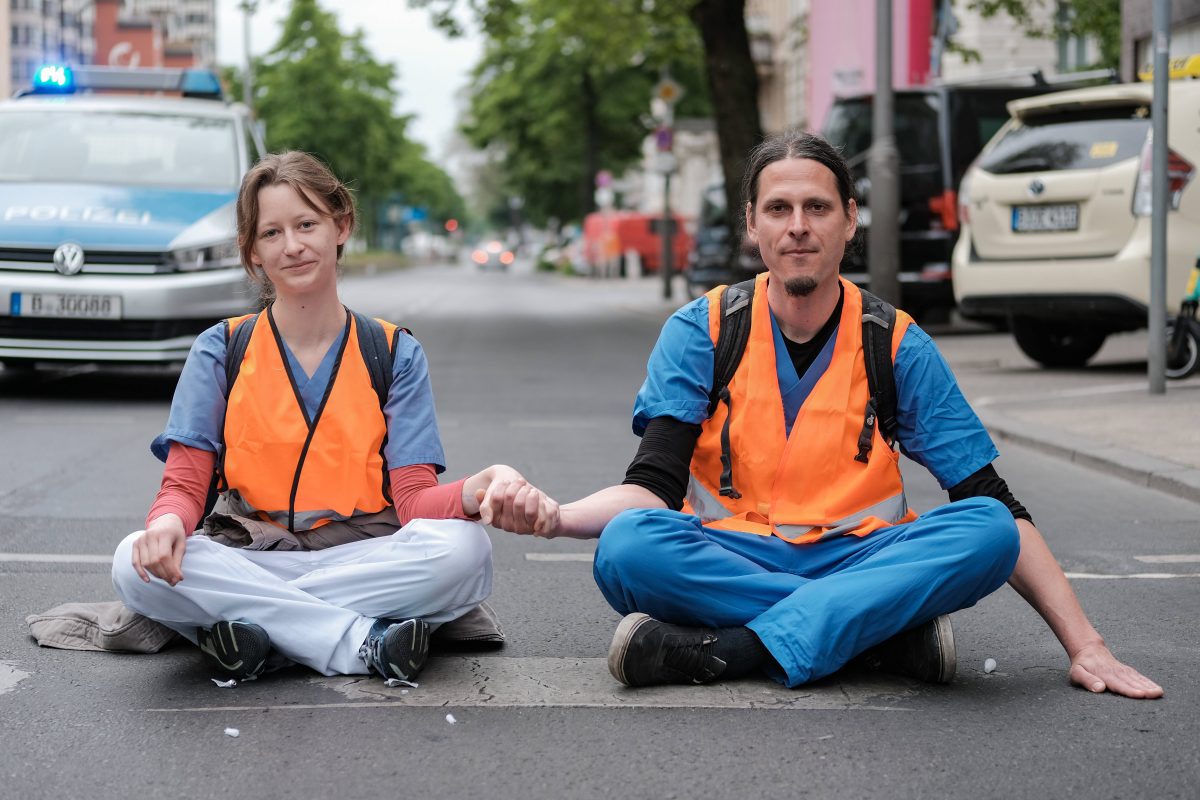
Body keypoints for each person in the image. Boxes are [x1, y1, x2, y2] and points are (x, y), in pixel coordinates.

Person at [488, 131, 1162, 699]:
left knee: (988, 530)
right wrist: (557, 519)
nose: (798, 226)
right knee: (628, 548)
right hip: (738, 552)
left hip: (863, 554)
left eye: (816, 207)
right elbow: (654, 486)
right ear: (752, 224)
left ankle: (742, 648)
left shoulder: (894, 342)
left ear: (850, 219)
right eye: (778, 209)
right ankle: (880, 635)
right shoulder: (704, 330)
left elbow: (992, 500)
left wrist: (1087, 645)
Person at [112, 151, 555, 683]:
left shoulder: (392, 352)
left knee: (466, 549)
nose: (293, 246)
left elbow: (414, 502)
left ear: (341, 225)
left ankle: (253, 631)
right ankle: (360, 643)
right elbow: (184, 484)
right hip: (253, 553)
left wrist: (478, 487)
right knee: (129, 562)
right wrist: (165, 525)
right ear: (251, 251)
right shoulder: (220, 349)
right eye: (271, 233)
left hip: (367, 556)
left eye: (307, 224)